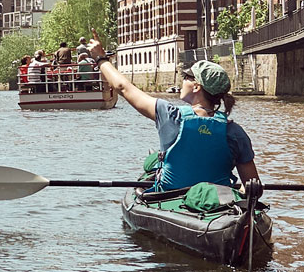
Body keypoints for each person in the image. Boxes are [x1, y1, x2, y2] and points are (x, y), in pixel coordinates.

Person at [99, 57, 259, 192]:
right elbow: (252, 187)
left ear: (196, 86)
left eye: (186, 77)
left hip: (168, 198)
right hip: (218, 206)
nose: (182, 81)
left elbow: (123, 87)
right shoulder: (235, 132)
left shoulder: (170, 115)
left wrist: (101, 59)